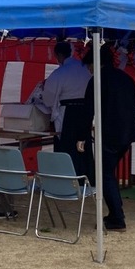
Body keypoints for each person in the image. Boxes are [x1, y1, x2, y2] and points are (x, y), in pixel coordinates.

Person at [80, 42, 135, 232]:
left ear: (93, 64)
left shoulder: (97, 80)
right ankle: (116, 212)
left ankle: (117, 217)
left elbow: (87, 112)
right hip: (126, 134)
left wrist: (82, 137)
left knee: (104, 174)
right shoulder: (126, 78)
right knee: (108, 173)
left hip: (109, 134)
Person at [37, 40, 92, 178]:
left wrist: (44, 92)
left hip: (68, 113)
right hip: (85, 111)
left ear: (58, 55)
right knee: (83, 145)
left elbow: (48, 97)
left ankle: (67, 178)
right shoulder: (84, 68)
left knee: (68, 145)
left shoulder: (60, 72)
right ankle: (85, 176)